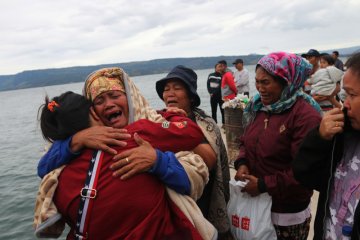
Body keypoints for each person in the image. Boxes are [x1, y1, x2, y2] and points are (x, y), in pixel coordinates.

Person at [34, 68, 217, 239]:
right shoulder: (138, 133)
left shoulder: (61, 167)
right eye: (99, 101)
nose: (108, 104)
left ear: (131, 98)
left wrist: (75, 141)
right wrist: (167, 128)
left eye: (114, 95)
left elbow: (42, 167)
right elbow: (191, 135)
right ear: (92, 111)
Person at [234, 52, 322, 239]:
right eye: (257, 82)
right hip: (257, 205)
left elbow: (304, 171)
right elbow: (245, 140)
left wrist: (264, 185)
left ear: (286, 82)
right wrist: (242, 162)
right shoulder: (258, 107)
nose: (260, 88)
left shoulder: (305, 116)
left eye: (266, 82)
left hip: (286, 213)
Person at [155, 65, 232, 239]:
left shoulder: (206, 124)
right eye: (166, 89)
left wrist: (180, 126)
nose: (170, 93)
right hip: (171, 203)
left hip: (203, 198)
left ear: (190, 96)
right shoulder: (157, 120)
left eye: (177, 88)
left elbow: (211, 162)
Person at [293, 52, 360, 240]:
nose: (344, 105)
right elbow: (305, 174)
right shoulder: (343, 137)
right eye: (344, 95)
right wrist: (320, 137)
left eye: (352, 95)